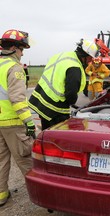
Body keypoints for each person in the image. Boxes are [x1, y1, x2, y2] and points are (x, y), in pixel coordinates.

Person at [28, 39, 99, 130]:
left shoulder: (63, 56)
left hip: (41, 101)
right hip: (55, 109)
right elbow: (71, 94)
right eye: (90, 57)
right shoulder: (75, 67)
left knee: (46, 134)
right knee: (56, 138)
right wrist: (73, 102)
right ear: (84, 55)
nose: (90, 61)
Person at [0, 29, 35, 207]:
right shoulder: (14, 68)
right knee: (26, 159)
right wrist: (29, 123)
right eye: (22, 49)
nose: (22, 54)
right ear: (14, 48)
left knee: (1, 160)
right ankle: (41, 193)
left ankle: (1, 195)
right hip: (13, 123)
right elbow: (18, 100)